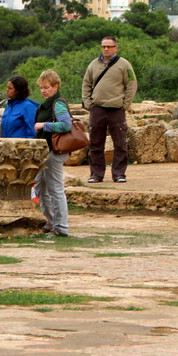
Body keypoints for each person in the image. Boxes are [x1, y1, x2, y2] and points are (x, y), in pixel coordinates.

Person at [81, 36, 137, 184]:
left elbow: (131, 84)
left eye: (109, 46)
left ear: (116, 48)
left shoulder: (124, 65)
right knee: (95, 143)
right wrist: (88, 103)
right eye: (103, 46)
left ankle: (119, 174)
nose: (106, 49)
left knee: (120, 144)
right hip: (97, 108)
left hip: (116, 109)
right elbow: (86, 83)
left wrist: (125, 105)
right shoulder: (93, 64)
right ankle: (96, 174)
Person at [34, 70, 73, 237]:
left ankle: (61, 226)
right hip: (45, 150)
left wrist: (44, 126)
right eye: (42, 88)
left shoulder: (57, 104)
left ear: (55, 86)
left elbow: (66, 125)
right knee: (41, 186)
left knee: (55, 188)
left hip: (54, 151)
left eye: (47, 87)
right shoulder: (46, 104)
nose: (43, 91)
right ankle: (51, 221)